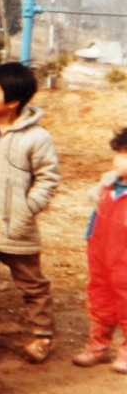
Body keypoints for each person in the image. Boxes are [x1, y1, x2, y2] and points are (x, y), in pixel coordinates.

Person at [0, 62, 60, 363]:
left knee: (32, 283)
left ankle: (42, 335)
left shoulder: (37, 138)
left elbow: (48, 177)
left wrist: (28, 208)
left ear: (14, 102)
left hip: (18, 228)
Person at [71, 128, 127, 374]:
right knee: (99, 295)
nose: (118, 160)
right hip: (101, 252)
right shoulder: (106, 187)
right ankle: (99, 343)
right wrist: (90, 240)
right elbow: (96, 216)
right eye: (119, 154)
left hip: (124, 259)